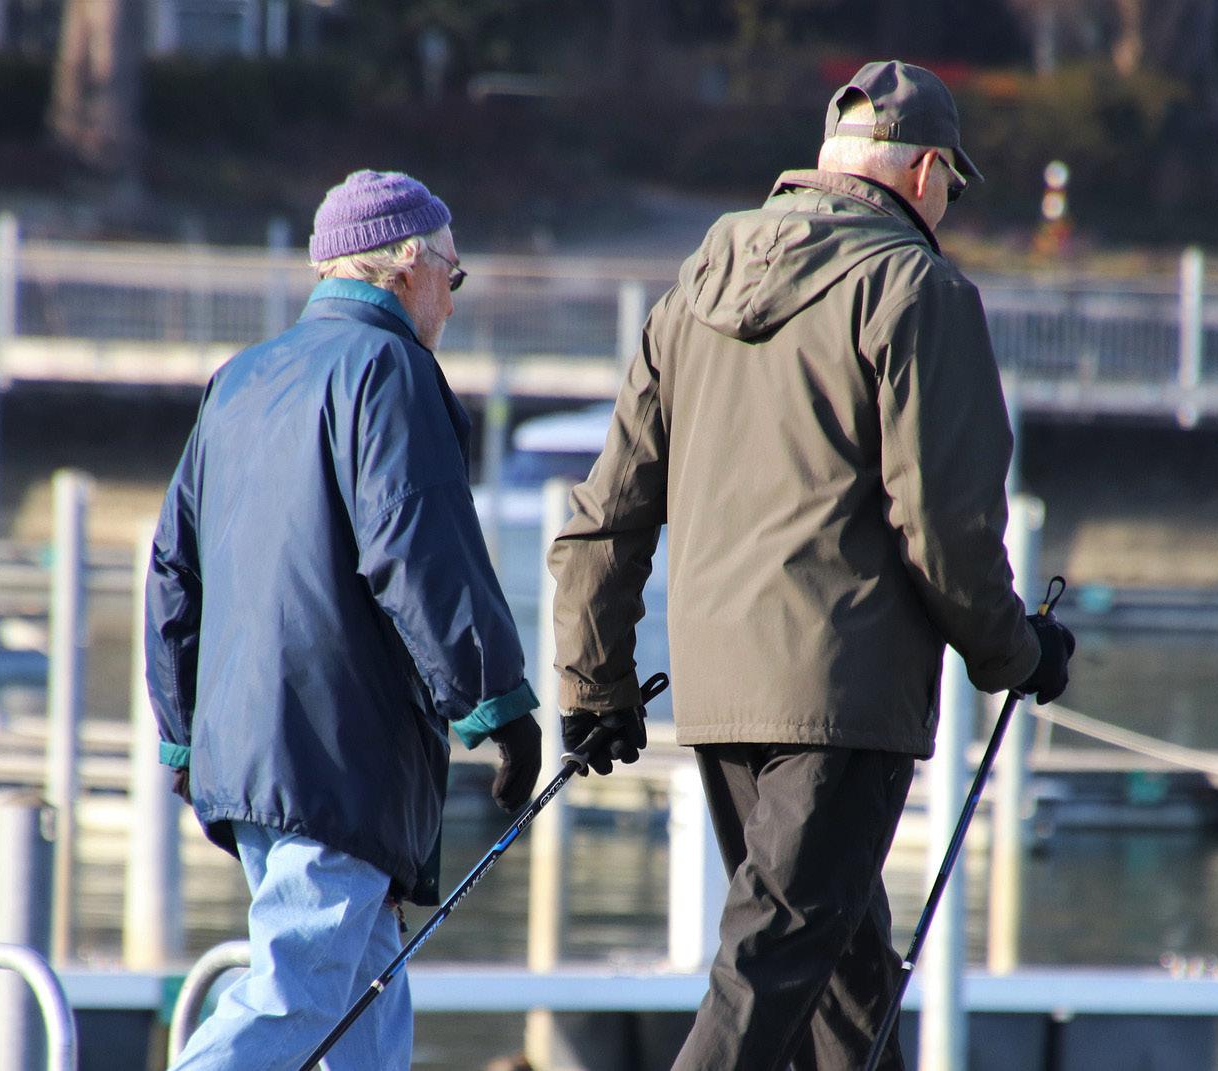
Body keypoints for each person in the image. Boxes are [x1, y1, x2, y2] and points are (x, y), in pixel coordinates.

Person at [547, 61, 1076, 1070]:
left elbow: (606, 514)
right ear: (923, 172)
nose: (948, 205)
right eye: (951, 184)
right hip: (841, 697)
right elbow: (948, 528)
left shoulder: (698, 281)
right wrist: (1019, 653)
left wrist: (594, 684)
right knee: (770, 968)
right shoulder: (918, 289)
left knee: (843, 987)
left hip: (722, 694)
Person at [146, 168, 542, 1071]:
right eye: (452, 273)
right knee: (298, 991)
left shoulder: (239, 379)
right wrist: (499, 706)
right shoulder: (389, 369)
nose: (453, 298)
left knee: (364, 1000)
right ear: (406, 266)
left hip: (249, 752)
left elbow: (173, 571)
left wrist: (183, 734)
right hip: (335, 755)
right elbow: (418, 547)